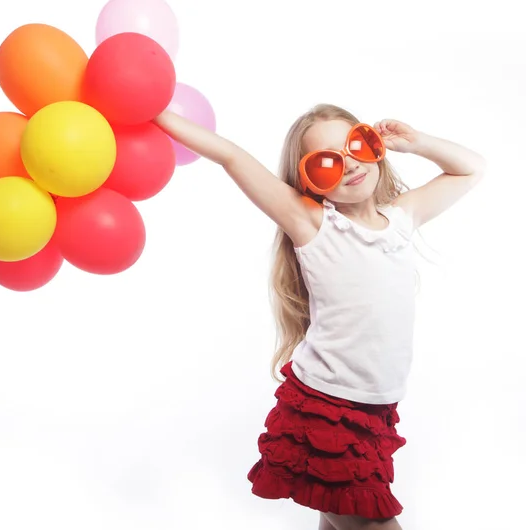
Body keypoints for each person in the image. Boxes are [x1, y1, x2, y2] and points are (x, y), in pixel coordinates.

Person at [153, 104, 486, 530]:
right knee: (369, 522)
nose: (347, 164)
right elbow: (231, 156)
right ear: (308, 181)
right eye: (326, 162)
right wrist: (158, 114)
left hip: (376, 410)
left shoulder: (402, 219)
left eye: (355, 145)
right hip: (326, 411)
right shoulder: (313, 224)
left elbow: (471, 169)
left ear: (375, 146)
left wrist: (417, 143)